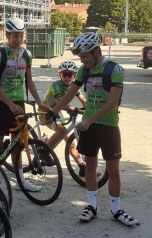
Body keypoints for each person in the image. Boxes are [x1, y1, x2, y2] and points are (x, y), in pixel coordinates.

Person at [46, 32, 138, 225]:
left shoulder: (115, 70)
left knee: (113, 170)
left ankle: (116, 210)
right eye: (80, 57)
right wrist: (53, 111)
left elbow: (112, 103)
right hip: (89, 125)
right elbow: (68, 95)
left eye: (85, 56)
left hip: (109, 126)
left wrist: (88, 120)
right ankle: (91, 206)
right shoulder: (83, 70)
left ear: (96, 51)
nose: (82, 61)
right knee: (90, 167)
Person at [0, 17, 51, 192]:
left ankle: (20, 181)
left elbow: (30, 83)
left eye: (21, 36)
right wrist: (9, 104)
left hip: (19, 103)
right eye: (14, 36)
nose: (18, 39)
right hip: (2, 104)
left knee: (18, 145)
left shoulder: (26, 54)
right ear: (7, 35)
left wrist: (40, 103)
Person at [38, 60, 87, 175]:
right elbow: (61, 103)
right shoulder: (55, 85)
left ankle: (82, 166)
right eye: (64, 74)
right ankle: (44, 151)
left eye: (70, 75)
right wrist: (78, 110)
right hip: (47, 112)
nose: (67, 77)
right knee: (62, 131)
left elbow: (84, 102)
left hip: (57, 112)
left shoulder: (74, 87)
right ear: (60, 75)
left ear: (74, 76)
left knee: (71, 142)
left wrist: (92, 109)